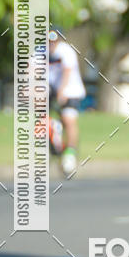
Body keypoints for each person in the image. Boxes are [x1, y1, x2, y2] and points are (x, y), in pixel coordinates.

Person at [48, 29, 86, 176]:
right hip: (51, 89)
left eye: (54, 41)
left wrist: (62, 91)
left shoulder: (66, 51)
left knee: (69, 120)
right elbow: (32, 68)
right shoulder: (41, 51)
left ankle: (70, 154)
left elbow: (67, 71)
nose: (51, 44)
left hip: (70, 90)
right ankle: (53, 147)